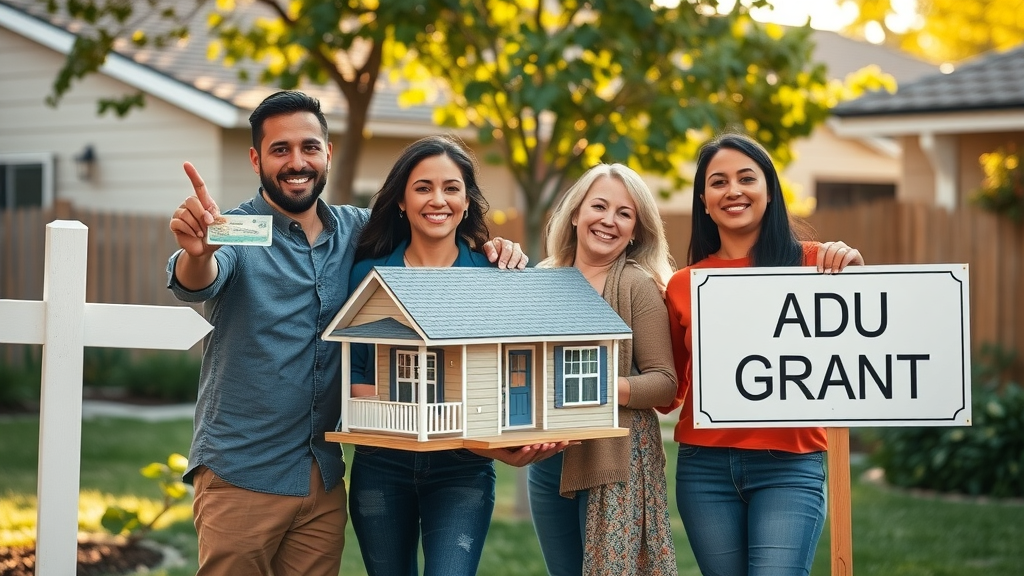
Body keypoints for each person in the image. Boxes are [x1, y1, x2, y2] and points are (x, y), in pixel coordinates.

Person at [166, 91, 525, 576]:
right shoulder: (237, 229)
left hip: (322, 477)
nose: (298, 162)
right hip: (243, 471)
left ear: (328, 153)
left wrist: (491, 246)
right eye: (281, 149)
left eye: (310, 147)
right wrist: (197, 251)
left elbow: (434, 222)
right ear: (256, 158)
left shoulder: (358, 231)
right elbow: (198, 278)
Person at [345, 134, 563, 576]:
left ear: (466, 202)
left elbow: (509, 376)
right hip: (381, 465)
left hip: (462, 471)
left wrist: (499, 443)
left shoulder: (495, 274)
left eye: (451, 188)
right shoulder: (369, 275)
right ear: (401, 201)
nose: (437, 199)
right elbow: (356, 380)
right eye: (423, 187)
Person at [661, 132, 864, 576]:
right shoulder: (682, 285)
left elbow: (858, 341)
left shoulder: (817, 266)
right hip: (704, 468)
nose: (733, 190)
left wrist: (854, 272)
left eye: (746, 178)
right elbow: (669, 393)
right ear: (704, 200)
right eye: (718, 182)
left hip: (790, 465)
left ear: (769, 191)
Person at [528, 163, 679, 576]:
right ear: (576, 212)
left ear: (636, 231)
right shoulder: (539, 279)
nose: (609, 221)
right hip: (547, 461)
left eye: (624, 214)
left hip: (614, 460)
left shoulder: (636, 286)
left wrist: (597, 389)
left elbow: (664, 384)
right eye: (599, 206)